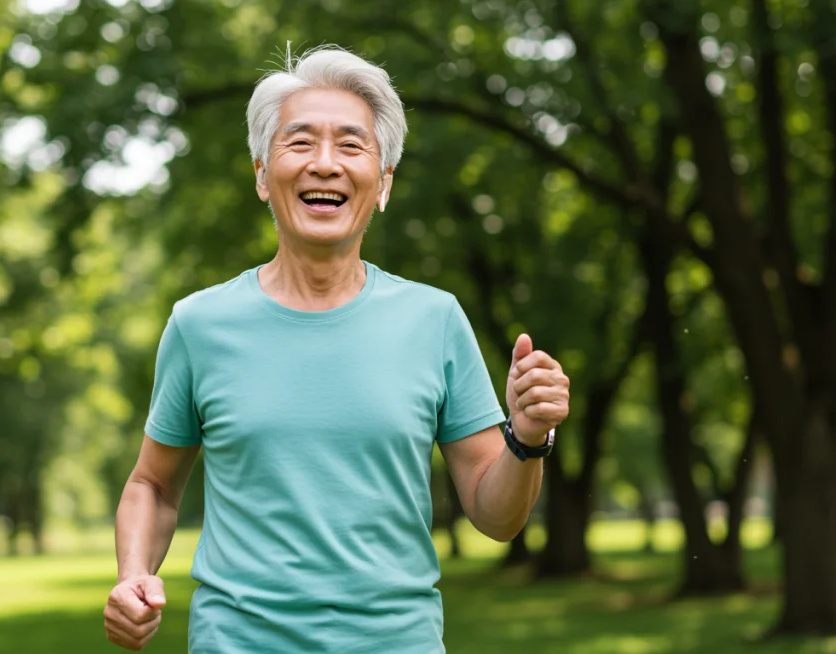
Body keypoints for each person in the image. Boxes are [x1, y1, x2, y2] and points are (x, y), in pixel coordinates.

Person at [103, 45, 570, 653]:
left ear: (383, 184)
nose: (325, 164)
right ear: (262, 175)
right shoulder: (200, 324)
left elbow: (497, 517)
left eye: (351, 146)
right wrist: (133, 574)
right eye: (299, 143)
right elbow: (155, 486)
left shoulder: (434, 319)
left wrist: (527, 437)